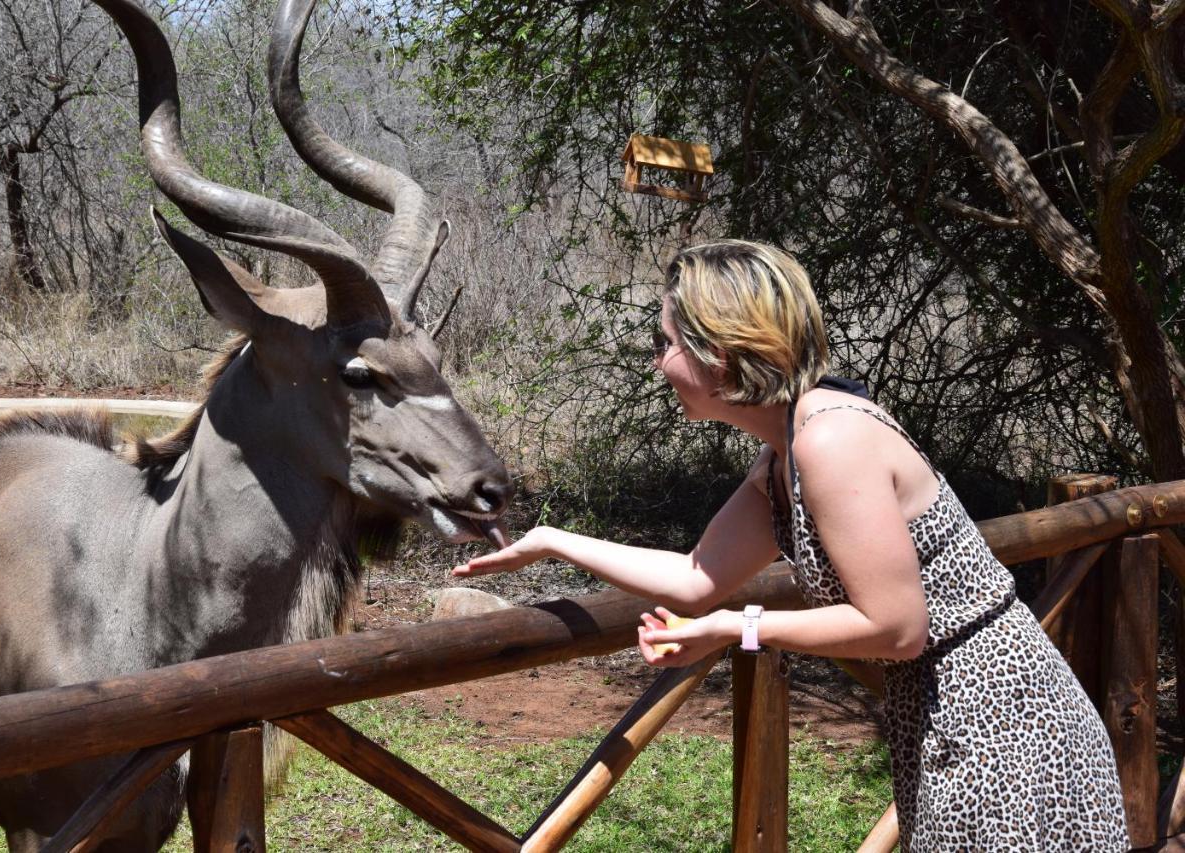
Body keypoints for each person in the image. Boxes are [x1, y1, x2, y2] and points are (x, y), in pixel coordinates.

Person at [454, 240, 1129, 850]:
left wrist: (732, 629)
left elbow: (895, 627)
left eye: (665, 343)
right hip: (947, 720)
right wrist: (551, 541)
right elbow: (695, 576)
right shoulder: (783, 454)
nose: (657, 361)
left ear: (718, 350)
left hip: (1001, 727)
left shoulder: (829, 439)